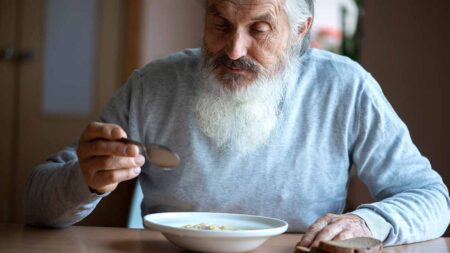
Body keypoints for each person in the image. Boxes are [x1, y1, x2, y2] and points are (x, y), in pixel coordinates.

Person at [25, 0, 449, 249]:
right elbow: (37, 203)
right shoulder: (153, 84)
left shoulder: (346, 88)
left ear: (300, 31)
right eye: (220, 23)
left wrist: (368, 222)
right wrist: (85, 179)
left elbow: (432, 197)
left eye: (259, 29)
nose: (233, 49)